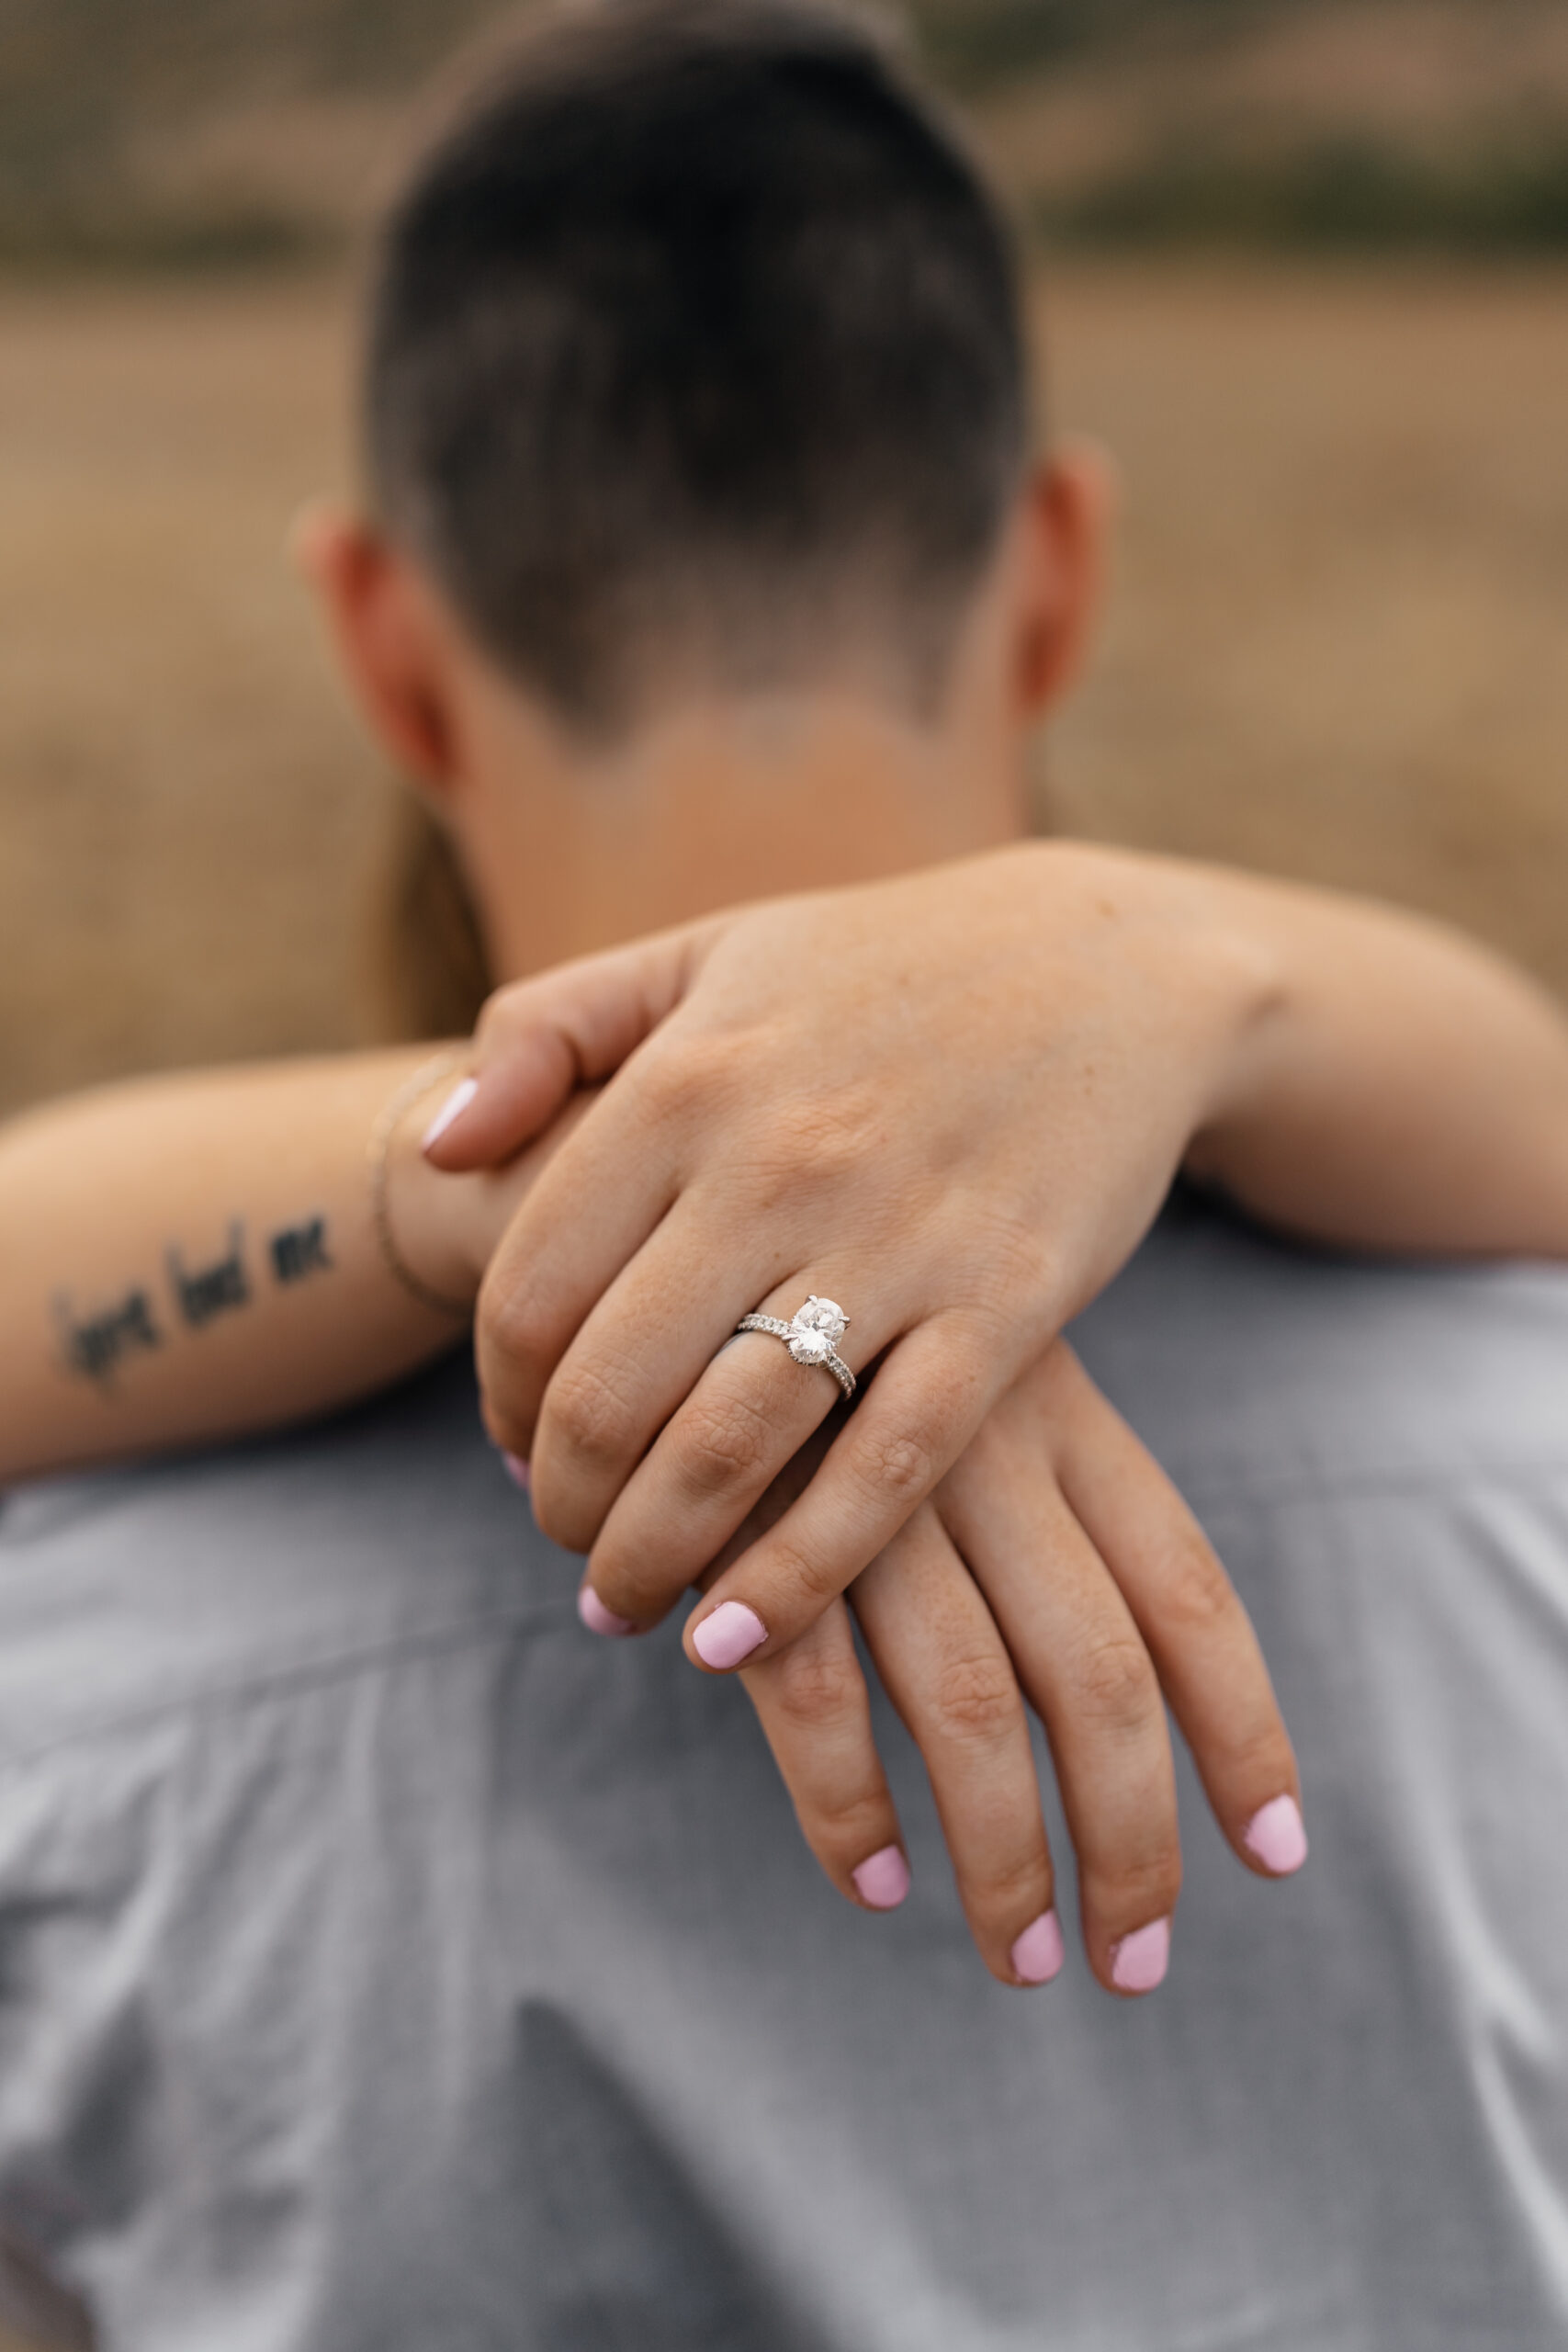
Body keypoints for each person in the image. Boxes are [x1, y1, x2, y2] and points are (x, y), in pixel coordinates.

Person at [4, 4, 1568, 2340]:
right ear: (1053, 570)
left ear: (389, 657)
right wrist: (1184, 959)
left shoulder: (70, 1675)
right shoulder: (1522, 1456)